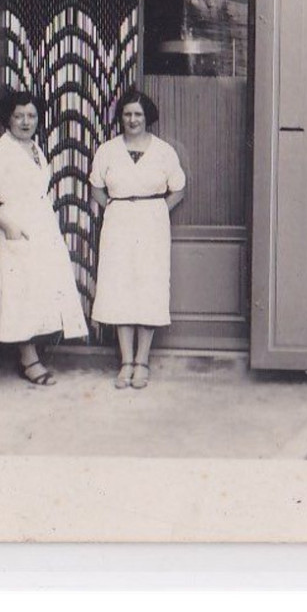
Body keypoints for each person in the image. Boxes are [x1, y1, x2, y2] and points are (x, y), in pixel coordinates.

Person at [0, 89, 88, 385]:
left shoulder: (35, 149)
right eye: (18, 116)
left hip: (42, 226)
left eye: (31, 116)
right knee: (21, 292)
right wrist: (8, 225)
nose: (25, 121)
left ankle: (36, 351)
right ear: (7, 119)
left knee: (42, 289)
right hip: (18, 226)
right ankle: (28, 360)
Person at [89, 89, 186, 389]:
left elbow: (178, 188)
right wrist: (116, 210)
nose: (133, 120)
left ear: (148, 118)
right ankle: (125, 362)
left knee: (148, 287)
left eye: (138, 114)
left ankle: (142, 361)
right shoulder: (107, 150)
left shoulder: (164, 151)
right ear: (121, 117)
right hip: (118, 225)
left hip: (152, 226)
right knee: (120, 288)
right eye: (128, 114)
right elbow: (96, 187)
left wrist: (157, 211)